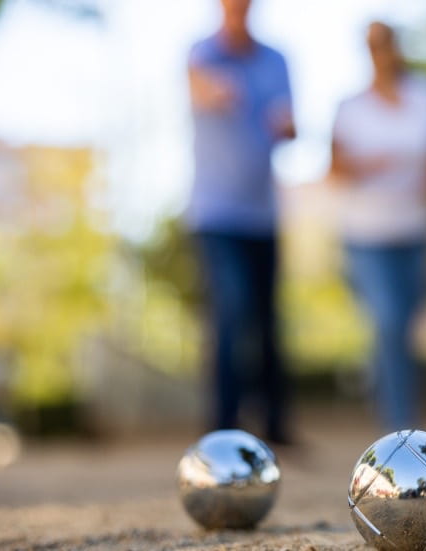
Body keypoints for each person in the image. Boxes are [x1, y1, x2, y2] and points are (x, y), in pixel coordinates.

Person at [327, 22, 426, 431]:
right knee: (389, 322)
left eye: (385, 44)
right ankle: (399, 425)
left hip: (415, 230)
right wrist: (370, 164)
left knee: (408, 329)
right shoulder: (351, 107)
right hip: (367, 234)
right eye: (372, 46)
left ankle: (401, 412)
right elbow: (334, 168)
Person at [187, 0, 296, 443]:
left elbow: (290, 125)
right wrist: (223, 91)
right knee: (231, 310)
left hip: (263, 211)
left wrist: (285, 124)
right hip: (215, 212)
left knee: (269, 319)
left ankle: (276, 425)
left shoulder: (276, 59)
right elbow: (204, 90)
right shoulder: (202, 53)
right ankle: (223, 427)